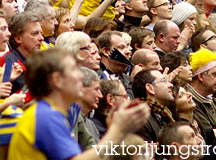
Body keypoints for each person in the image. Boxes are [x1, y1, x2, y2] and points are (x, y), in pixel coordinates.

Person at [9, 49, 151, 159]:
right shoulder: (45, 116)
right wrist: (117, 129)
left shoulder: (52, 113)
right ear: (57, 79)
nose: (81, 76)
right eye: (73, 70)